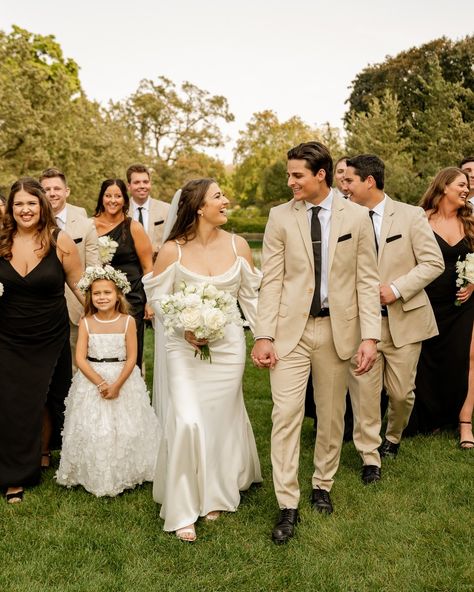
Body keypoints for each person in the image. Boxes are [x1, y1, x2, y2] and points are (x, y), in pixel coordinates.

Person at [251, 141, 381, 544]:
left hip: (337, 330)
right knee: (285, 414)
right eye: (290, 175)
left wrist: (371, 336)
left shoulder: (357, 217)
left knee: (330, 415)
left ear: (320, 175)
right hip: (290, 331)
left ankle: (322, 483)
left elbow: (366, 281)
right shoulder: (279, 217)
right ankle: (287, 503)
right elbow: (270, 280)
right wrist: (263, 334)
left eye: (297, 175)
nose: (290, 181)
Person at [143, 178, 262, 542]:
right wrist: (184, 327)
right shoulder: (172, 251)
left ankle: (214, 492)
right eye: (218, 196)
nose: (227, 200)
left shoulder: (238, 245)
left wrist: (264, 339)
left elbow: (251, 298)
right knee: (188, 422)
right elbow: (159, 302)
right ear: (198, 207)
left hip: (227, 348)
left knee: (220, 420)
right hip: (184, 349)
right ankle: (181, 508)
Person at [344, 155, 444, 476]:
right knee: (365, 395)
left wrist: (396, 289)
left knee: (401, 395)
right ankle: (370, 457)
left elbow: (433, 263)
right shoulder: (342, 219)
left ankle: (393, 437)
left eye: (350, 181)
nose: (344, 187)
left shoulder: (411, 215)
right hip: (361, 324)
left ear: (369, 181)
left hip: (404, 319)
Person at [0, 177, 83, 503]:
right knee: (11, 403)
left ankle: (39, 456)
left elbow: (79, 284)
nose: (25, 209)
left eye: (31, 203)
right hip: (7, 335)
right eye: (18, 203)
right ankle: (14, 477)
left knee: (46, 399)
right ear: (10, 207)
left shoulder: (59, 241)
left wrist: (108, 315)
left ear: (42, 206)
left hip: (49, 334)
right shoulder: (2, 241)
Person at [56, 267, 159, 496]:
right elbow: (80, 359)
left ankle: (128, 470)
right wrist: (101, 383)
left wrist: (117, 384)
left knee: (126, 427)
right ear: (90, 297)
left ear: (118, 295)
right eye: (97, 293)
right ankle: (93, 471)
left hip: (123, 377)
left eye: (107, 293)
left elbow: (133, 357)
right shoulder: (86, 322)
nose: (102, 297)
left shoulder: (127, 322)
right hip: (93, 378)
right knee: (94, 428)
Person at [406, 167, 474, 446]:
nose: (467, 189)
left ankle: (465, 424)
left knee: (468, 358)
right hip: (426, 301)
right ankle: (429, 417)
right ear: (444, 186)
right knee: (425, 360)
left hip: (462, 303)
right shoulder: (419, 218)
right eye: (462, 184)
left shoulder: (471, 221)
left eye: (468, 185)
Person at [40, 168, 99, 373]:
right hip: (41, 309)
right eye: (46, 189)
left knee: (77, 366)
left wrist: (92, 306)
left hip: (75, 307)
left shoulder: (85, 224)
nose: (52, 193)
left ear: (67, 191)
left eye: (57, 188)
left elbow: (94, 269)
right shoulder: (30, 223)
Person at [92, 179, 153, 369]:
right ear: (102, 198)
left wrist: (149, 301)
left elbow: (148, 267)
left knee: (131, 351)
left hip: (132, 298)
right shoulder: (90, 226)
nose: (113, 200)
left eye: (117, 196)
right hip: (101, 298)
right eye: (108, 195)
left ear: (124, 200)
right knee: (104, 351)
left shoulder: (133, 227)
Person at [126, 164, 170, 258]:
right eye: (137, 182)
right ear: (129, 186)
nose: (142, 186)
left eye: (145, 182)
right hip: (129, 268)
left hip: (158, 266)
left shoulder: (167, 209)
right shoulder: (121, 211)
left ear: (150, 184)